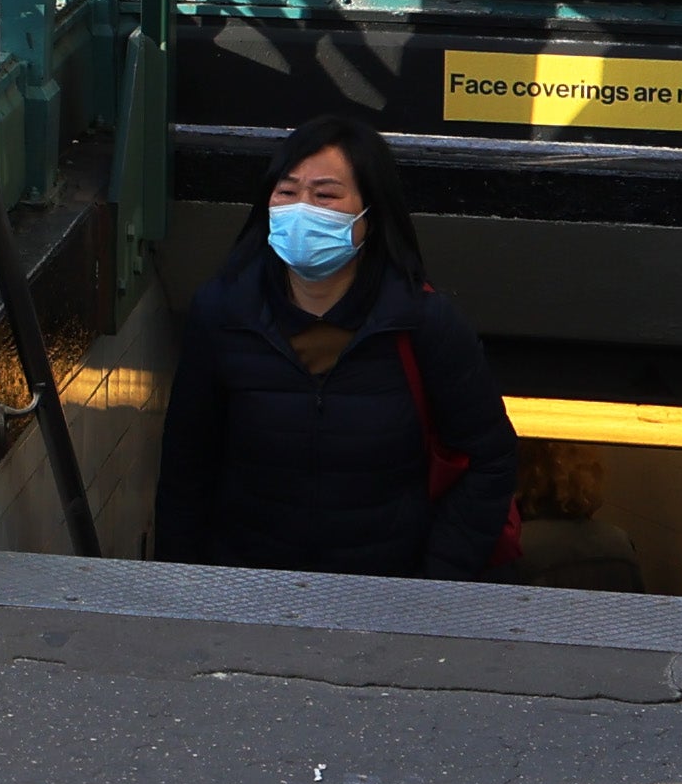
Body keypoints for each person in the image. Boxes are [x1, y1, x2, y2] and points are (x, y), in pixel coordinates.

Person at [156, 124, 520, 580]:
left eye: (326, 196)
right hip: (249, 591)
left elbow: (491, 458)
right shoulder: (222, 314)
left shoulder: (424, 324)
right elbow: (186, 465)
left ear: (370, 212)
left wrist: (437, 580)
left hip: (386, 597)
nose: (301, 210)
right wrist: (181, 586)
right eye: (287, 192)